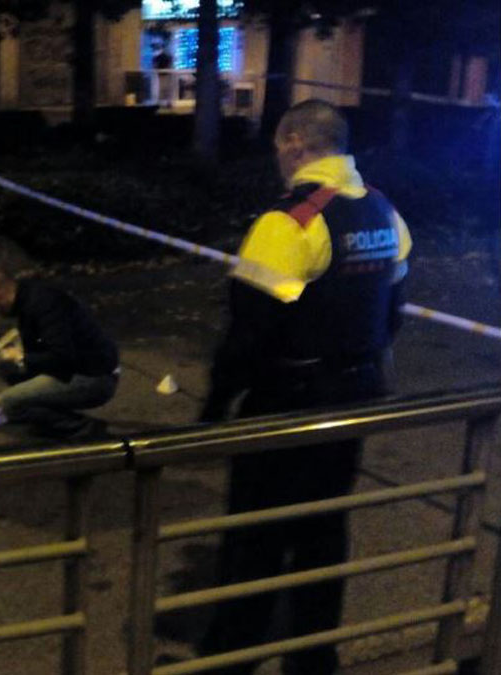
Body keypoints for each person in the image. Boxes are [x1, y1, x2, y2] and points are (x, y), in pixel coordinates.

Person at [197, 99, 412, 674]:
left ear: (294, 143)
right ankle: (315, 656)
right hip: (354, 400)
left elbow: (249, 331)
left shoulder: (291, 220)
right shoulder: (384, 213)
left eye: (279, 148)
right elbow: (392, 311)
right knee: (323, 533)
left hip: (286, 403)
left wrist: (215, 409)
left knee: (256, 538)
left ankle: (231, 657)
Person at [0, 269, 120, 439]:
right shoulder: (27, 298)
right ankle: (42, 408)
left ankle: (84, 428)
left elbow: (62, 357)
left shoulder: (44, 304)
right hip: (71, 369)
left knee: (8, 405)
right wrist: (20, 344)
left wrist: (21, 357)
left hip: (92, 376)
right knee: (4, 364)